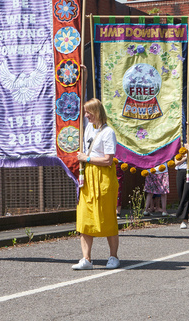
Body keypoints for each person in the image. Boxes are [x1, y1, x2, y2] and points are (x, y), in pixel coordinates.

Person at [74, 98, 120, 270]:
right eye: (85, 112)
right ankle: (86, 259)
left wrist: (87, 158)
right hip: (87, 176)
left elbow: (108, 160)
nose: (86, 115)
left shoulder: (108, 132)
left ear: (97, 112)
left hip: (103, 177)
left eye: (89, 112)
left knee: (107, 217)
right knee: (85, 218)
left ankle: (113, 257)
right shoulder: (87, 128)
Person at [175, 152, 189, 229]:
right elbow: (176, 162)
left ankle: (184, 220)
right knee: (180, 195)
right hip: (180, 172)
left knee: (185, 195)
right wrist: (185, 157)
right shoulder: (179, 151)